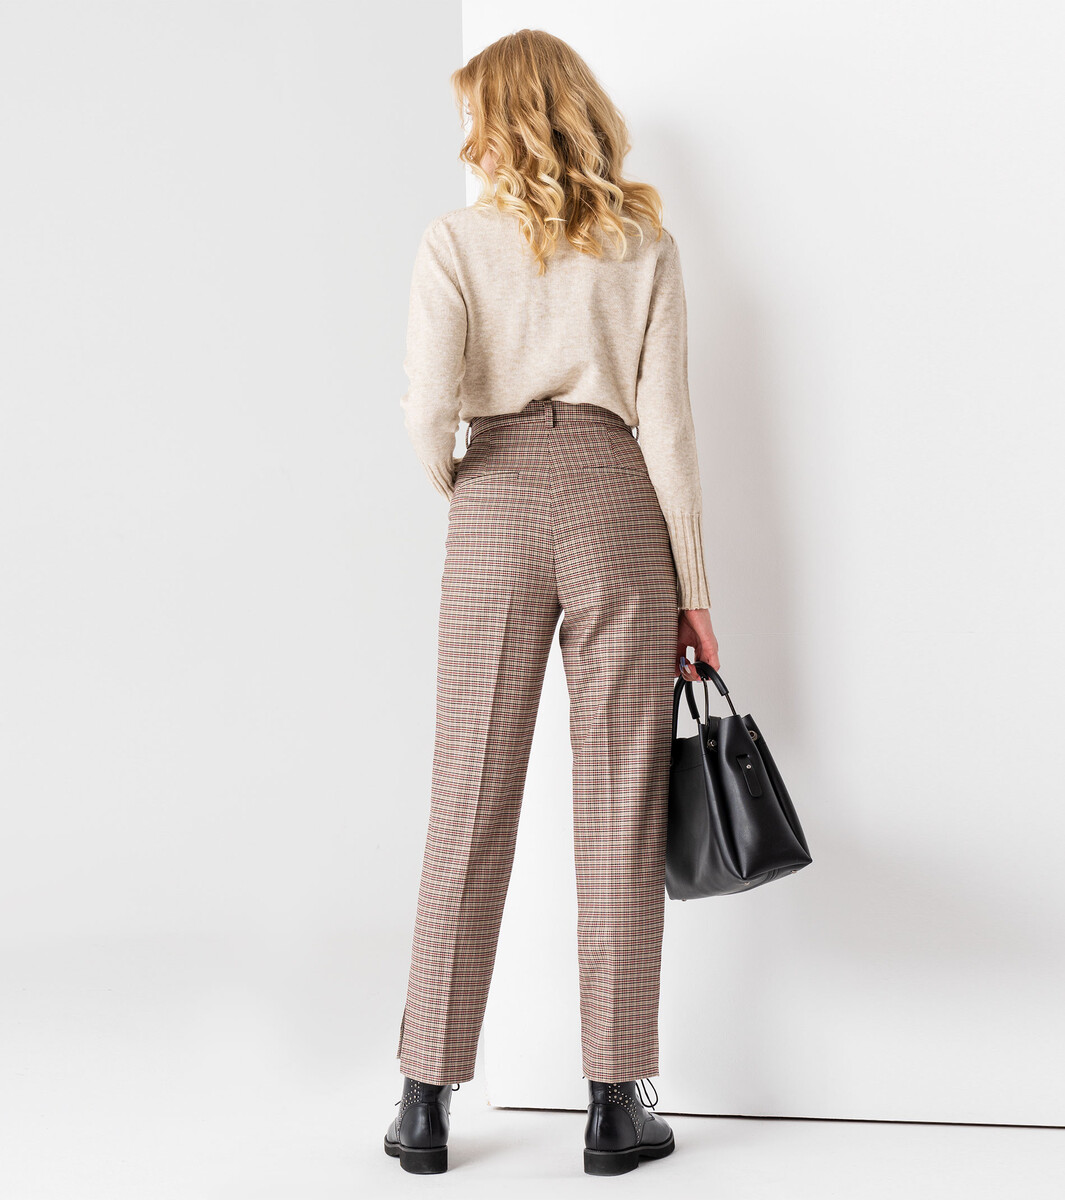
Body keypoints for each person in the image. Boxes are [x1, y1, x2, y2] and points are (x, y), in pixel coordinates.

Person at [384, 28, 720, 1177]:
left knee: (467, 795)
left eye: (475, 116)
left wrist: (472, 489)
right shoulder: (644, 246)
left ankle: (424, 1101)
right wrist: (695, 592)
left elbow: (426, 412)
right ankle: (617, 1109)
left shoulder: (454, 241)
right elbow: (670, 429)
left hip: (496, 492)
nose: (466, 142)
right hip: (619, 499)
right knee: (621, 802)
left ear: (508, 118)